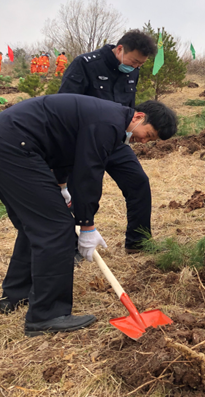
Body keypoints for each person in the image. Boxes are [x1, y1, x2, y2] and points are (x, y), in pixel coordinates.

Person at [0, 94, 177, 336]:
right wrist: (86, 226)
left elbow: (64, 149)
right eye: (149, 134)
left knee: (36, 226)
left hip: (12, 143)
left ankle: (15, 296)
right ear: (139, 116)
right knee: (56, 228)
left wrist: (61, 186)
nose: (144, 141)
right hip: (16, 147)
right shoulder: (108, 123)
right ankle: (47, 315)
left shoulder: (107, 118)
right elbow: (88, 172)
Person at [59, 30, 157, 253]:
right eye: (133, 62)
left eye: (140, 65)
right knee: (79, 192)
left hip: (116, 141)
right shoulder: (85, 64)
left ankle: (138, 243)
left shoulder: (133, 71)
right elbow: (64, 104)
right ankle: (73, 248)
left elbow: (129, 107)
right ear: (120, 49)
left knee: (139, 182)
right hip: (83, 143)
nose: (134, 68)